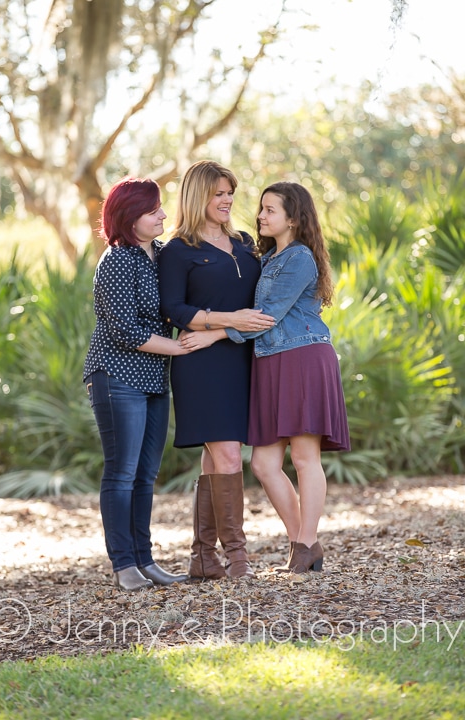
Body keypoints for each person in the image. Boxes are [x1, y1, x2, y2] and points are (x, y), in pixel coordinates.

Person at [180, 181, 350, 574]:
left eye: (269, 210)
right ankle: (304, 542)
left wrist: (213, 335)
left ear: (293, 217)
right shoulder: (269, 257)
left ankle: (304, 544)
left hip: (303, 357)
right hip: (271, 362)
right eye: (261, 209)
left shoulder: (299, 258)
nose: (260, 216)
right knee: (263, 464)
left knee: (305, 457)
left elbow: (266, 315)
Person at [158, 160, 275, 580]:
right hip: (200, 363)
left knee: (218, 460)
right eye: (218, 193)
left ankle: (203, 558)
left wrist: (229, 328)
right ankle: (238, 559)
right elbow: (173, 309)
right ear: (197, 196)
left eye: (230, 192)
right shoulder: (177, 250)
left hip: (242, 357)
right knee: (225, 454)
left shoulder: (246, 243)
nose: (227, 200)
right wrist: (225, 319)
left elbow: (262, 306)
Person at [83, 176, 194, 591]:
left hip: (152, 379)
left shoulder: (162, 255)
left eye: (161, 207)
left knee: (146, 474)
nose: (163, 214)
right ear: (130, 217)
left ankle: (146, 561)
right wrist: (180, 348)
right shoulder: (116, 260)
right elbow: (125, 331)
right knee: (122, 473)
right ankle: (124, 565)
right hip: (116, 377)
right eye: (153, 210)